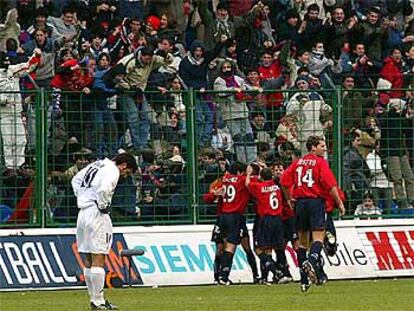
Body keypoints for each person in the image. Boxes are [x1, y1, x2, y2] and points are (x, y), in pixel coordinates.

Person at [72, 153, 138, 310]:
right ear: (123, 165)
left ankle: (93, 298)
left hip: (83, 212)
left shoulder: (97, 164)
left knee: (88, 257)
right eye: (126, 172)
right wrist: (103, 205)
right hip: (97, 213)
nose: (124, 175)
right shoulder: (112, 170)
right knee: (98, 256)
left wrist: (82, 196)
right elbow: (104, 190)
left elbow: (76, 180)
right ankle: (99, 300)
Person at [280, 135, 345, 292]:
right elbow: (330, 185)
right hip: (315, 202)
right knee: (318, 237)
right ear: (313, 147)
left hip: (300, 203)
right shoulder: (320, 162)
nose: (324, 148)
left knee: (302, 242)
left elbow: (283, 180)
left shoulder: (298, 163)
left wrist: (289, 199)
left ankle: (304, 280)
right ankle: (312, 260)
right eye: (321, 146)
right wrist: (340, 203)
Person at [246, 166, 285, 285]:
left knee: (258, 249)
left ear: (261, 177)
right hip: (278, 219)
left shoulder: (259, 187)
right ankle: (268, 276)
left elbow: (247, 184)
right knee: (269, 248)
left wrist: (248, 174)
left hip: (266, 219)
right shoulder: (277, 186)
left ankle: (276, 271)